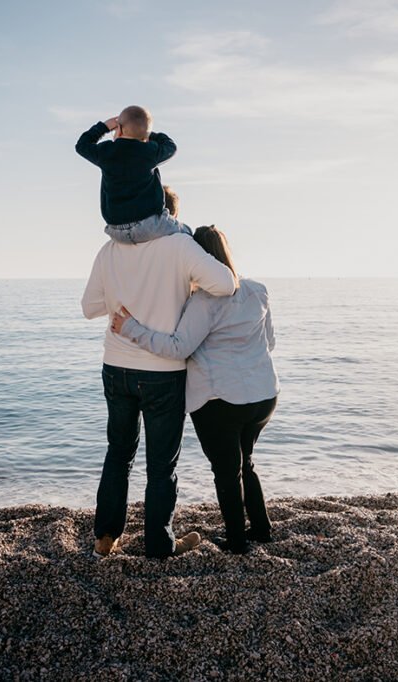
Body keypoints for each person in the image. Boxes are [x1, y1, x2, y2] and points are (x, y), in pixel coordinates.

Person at [81, 196, 237, 559]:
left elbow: (89, 307)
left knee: (118, 453)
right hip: (163, 373)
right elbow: (227, 284)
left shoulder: (109, 249)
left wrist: (125, 292)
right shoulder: (180, 244)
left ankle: (105, 536)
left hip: (116, 366)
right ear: (170, 213)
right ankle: (158, 544)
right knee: (161, 465)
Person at [112, 226, 279, 554]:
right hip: (263, 396)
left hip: (222, 401)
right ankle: (262, 530)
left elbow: (177, 348)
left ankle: (236, 542)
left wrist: (131, 328)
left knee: (227, 473)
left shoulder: (204, 301)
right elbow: (270, 342)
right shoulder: (257, 290)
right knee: (246, 463)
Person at [75, 106, 190, 244]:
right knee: (187, 231)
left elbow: (82, 145)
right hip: (149, 226)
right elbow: (170, 146)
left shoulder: (106, 151)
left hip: (115, 229)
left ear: (120, 129)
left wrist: (104, 126)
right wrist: (146, 133)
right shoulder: (150, 151)